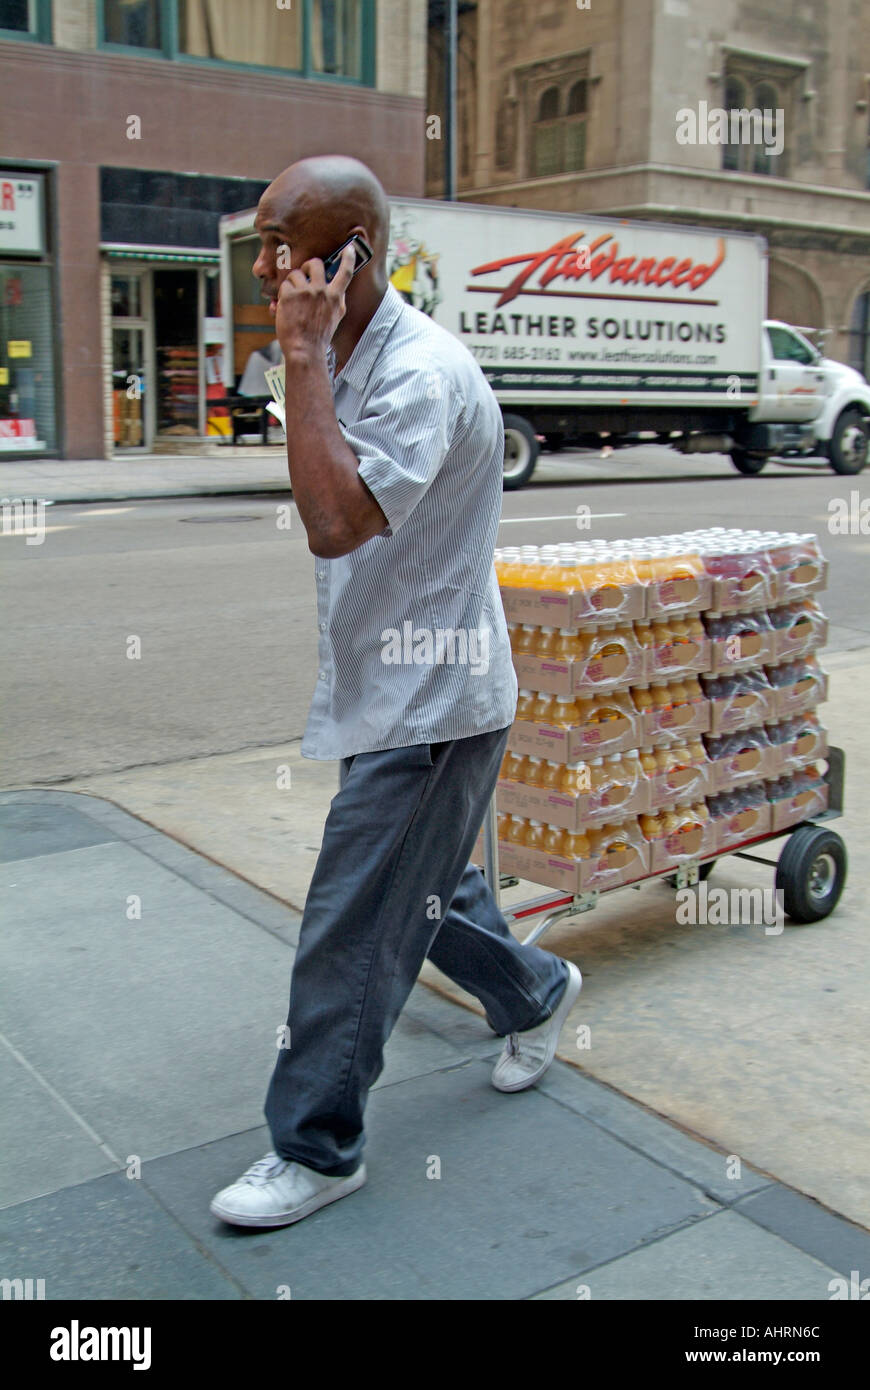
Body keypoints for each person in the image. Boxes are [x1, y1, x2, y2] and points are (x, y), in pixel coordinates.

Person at [210, 155, 582, 1229]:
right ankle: (537, 991)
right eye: (264, 245)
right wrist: (306, 360)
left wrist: (299, 357)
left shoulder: (420, 373)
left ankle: (318, 1146)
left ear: (355, 255)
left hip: (437, 700)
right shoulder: (335, 350)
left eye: (291, 249)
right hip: (390, 681)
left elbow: (332, 521)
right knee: (432, 892)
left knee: (356, 918)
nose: (270, 269)